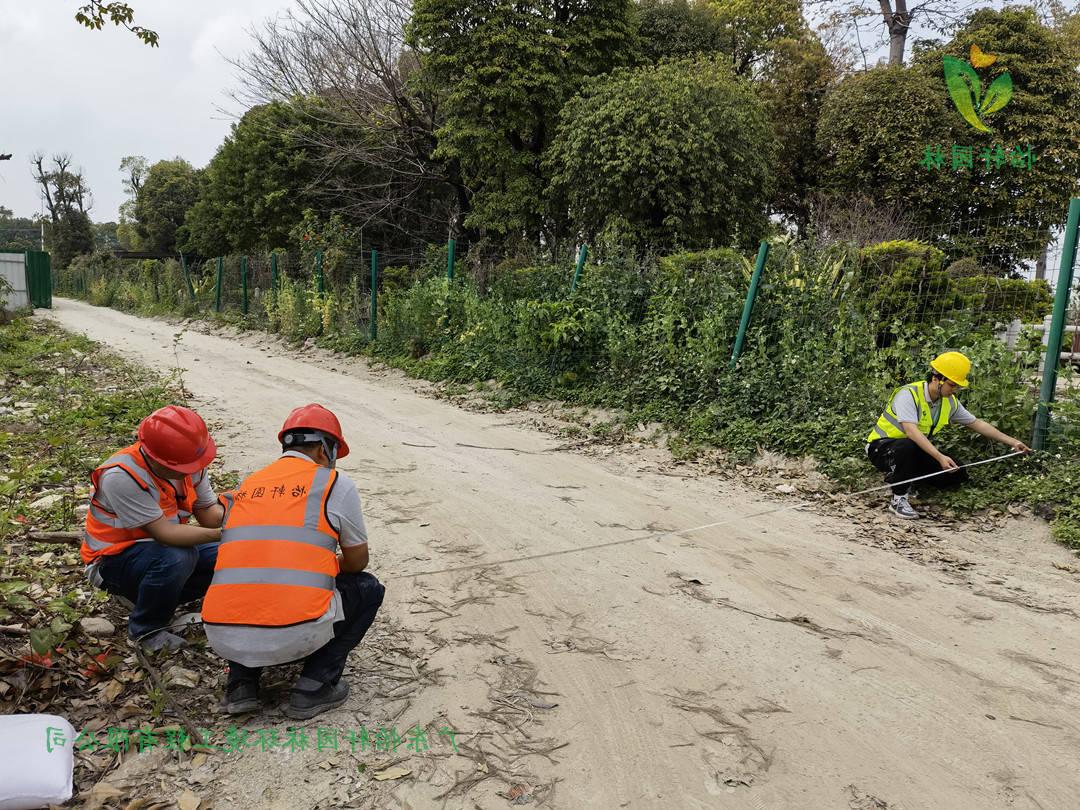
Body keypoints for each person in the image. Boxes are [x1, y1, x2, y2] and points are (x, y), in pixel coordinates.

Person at [203, 404, 385, 720]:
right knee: (367, 588)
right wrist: (319, 566)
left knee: (246, 581)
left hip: (222, 634)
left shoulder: (249, 484)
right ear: (322, 448)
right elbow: (357, 562)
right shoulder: (334, 485)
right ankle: (314, 686)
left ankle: (241, 684)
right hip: (295, 633)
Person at [82, 405, 223, 651]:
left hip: (156, 552)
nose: (190, 470)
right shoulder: (122, 476)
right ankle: (146, 630)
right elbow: (166, 534)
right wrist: (224, 534)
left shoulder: (191, 461)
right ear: (155, 457)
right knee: (179, 557)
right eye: (182, 466)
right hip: (112, 562)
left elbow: (209, 515)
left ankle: (155, 597)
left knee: (230, 552)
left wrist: (242, 518)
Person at [866, 351, 1031, 520]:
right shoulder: (909, 395)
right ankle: (899, 498)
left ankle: (904, 476)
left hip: (913, 450)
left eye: (957, 386)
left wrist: (1013, 441)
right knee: (907, 446)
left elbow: (977, 424)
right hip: (881, 448)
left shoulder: (949, 402)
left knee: (957, 473)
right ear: (936, 379)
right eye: (952, 385)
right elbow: (911, 432)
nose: (955, 390)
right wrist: (939, 457)